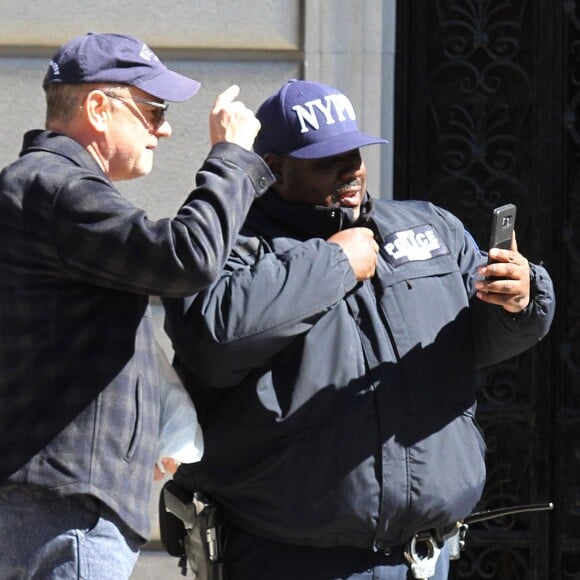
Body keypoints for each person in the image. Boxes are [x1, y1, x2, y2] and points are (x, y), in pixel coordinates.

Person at [162, 80, 555, 580]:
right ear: (275, 168)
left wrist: (521, 298)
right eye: (327, 160)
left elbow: (479, 340)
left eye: (355, 152)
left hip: (426, 558)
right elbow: (210, 338)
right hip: (292, 559)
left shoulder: (428, 227)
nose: (351, 169)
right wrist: (335, 262)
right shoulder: (231, 246)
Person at [0, 32, 274, 579]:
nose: (165, 129)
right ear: (99, 108)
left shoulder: (41, 190)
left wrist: (157, 426)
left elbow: (75, 344)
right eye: (153, 109)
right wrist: (232, 158)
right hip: (66, 511)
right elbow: (187, 257)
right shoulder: (56, 189)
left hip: (53, 503)